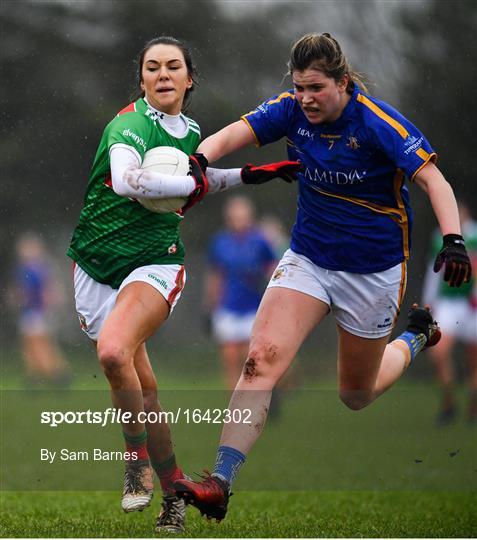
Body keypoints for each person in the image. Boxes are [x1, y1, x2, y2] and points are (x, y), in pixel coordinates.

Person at [171, 32, 473, 521]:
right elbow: (232, 134)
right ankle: (220, 483)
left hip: (373, 273)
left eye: (316, 88)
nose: (306, 98)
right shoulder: (290, 109)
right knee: (259, 360)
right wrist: (200, 160)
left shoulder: (377, 123)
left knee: (356, 394)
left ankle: (416, 336)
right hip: (308, 259)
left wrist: (454, 239)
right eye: (299, 87)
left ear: (343, 82)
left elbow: (433, 180)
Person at [67, 36, 299, 533]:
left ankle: (136, 463)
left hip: (155, 261)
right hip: (94, 264)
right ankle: (174, 492)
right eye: (153, 67)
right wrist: (199, 180)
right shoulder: (127, 125)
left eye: (174, 66)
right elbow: (131, 181)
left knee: (112, 354)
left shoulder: (192, 131)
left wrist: (250, 175)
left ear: (189, 78)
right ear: (142, 79)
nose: (163, 74)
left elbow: (194, 178)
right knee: (144, 389)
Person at [206, 196, 277, 390]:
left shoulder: (260, 240)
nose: (239, 221)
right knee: (230, 359)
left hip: (254, 306)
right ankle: (235, 408)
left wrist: (275, 297)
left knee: (251, 360)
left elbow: (273, 268)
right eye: (235, 217)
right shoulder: (220, 242)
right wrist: (211, 306)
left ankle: (257, 397)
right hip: (228, 306)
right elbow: (216, 275)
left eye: (242, 216)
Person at [422, 201, 477, 425]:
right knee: (438, 352)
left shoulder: (474, 235)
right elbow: (433, 272)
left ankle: (473, 409)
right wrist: (428, 303)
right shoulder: (440, 237)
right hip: (448, 303)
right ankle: (448, 403)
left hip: (472, 305)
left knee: (473, 360)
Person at [14, 232, 71, 386]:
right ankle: (37, 376)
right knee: (32, 345)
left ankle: (56, 375)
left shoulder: (37, 268)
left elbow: (47, 291)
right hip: (32, 312)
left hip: (36, 312)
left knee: (39, 345)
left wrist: (46, 306)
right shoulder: (29, 268)